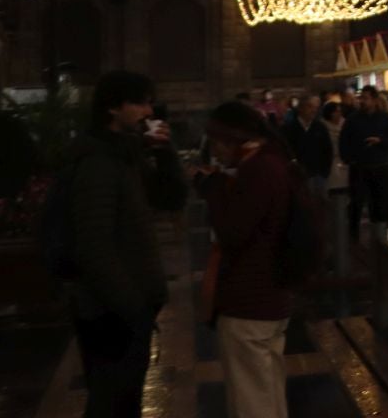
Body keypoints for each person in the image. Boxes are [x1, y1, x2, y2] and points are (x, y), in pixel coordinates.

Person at [64, 70, 187, 417]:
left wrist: (165, 154)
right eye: (140, 102)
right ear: (113, 108)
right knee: (112, 402)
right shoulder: (97, 162)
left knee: (125, 400)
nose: (148, 111)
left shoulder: (126, 156)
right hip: (110, 312)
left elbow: (171, 198)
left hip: (127, 307)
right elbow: (94, 244)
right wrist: (133, 307)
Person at [197, 102, 297, 418]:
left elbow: (232, 231)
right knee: (267, 391)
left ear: (232, 137)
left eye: (216, 141)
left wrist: (212, 188)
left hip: (250, 298)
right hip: (271, 294)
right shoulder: (274, 160)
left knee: (251, 401)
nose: (214, 150)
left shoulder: (259, 169)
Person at [341, 87, 388, 244]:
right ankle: (353, 234)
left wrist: (380, 141)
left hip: (381, 165)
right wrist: (349, 159)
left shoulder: (386, 118)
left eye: (366, 98)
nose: (363, 101)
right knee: (357, 202)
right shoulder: (353, 119)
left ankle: (381, 232)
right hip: (359, 166)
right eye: (361, 98)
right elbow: (344, 140)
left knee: (381, 201)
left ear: (374, 99)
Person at [289, 94, 331, 200]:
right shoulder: (289, 129)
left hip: (318, 174)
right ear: (301, 108)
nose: (313, 110)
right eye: (310, 106)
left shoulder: (320, 127)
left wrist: (324, 172)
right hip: (298, 176)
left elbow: (327, 150)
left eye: (315, 108)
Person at [320, 101, 352, 203]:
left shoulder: (346, 125)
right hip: (330, 164)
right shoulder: (322, 127)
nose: (339, 114)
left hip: (344, 163)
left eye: (340, 111)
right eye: (336, 111)